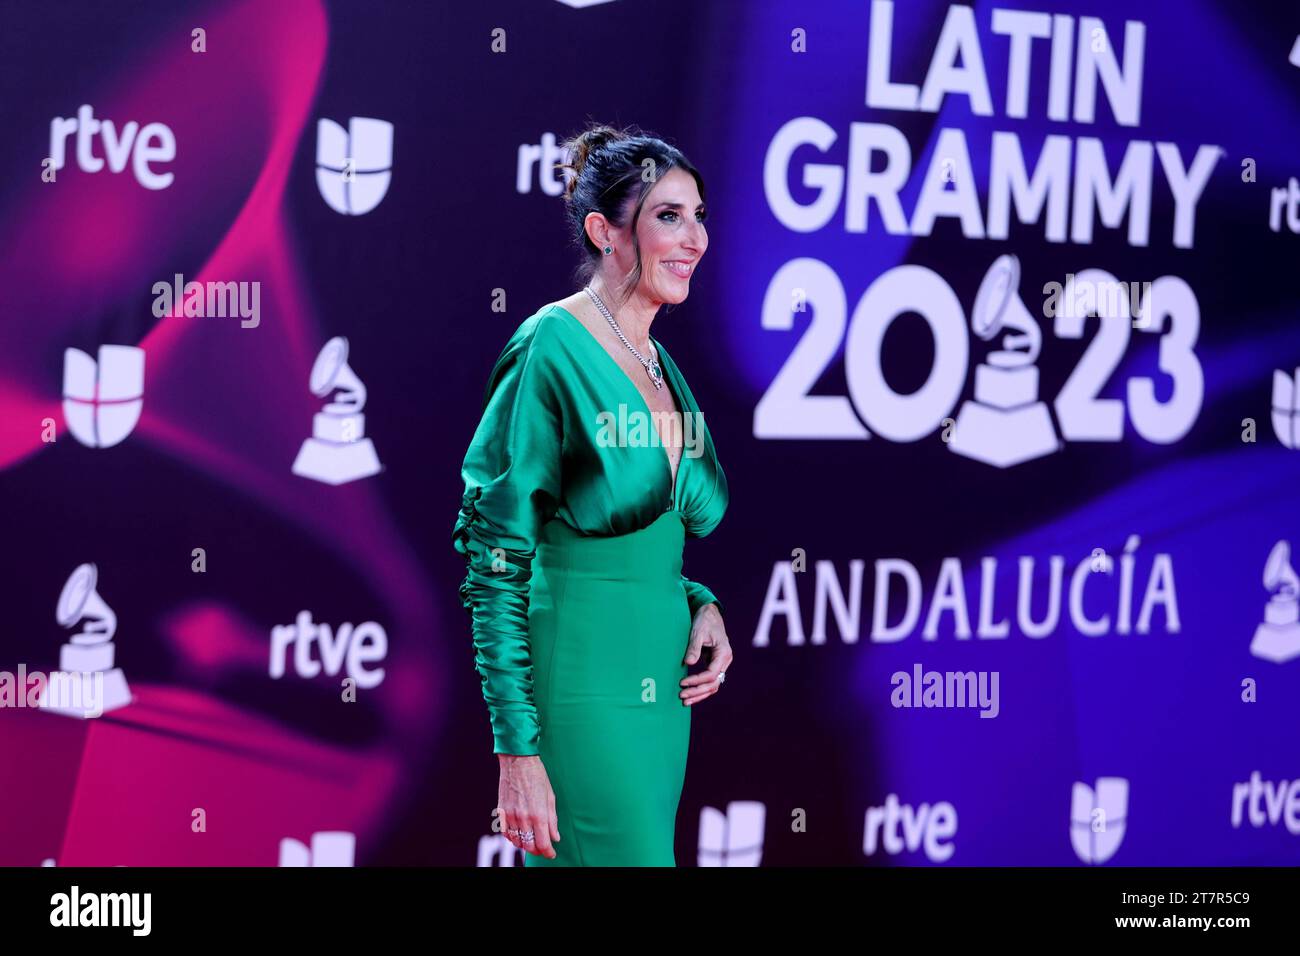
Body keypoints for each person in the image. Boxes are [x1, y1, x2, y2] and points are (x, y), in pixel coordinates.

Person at [452, 123, 731, 866]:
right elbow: (496, 554)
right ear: (604, 231)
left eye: (699, 214)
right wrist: (517, 752)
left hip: (660, 700)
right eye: (668, 215)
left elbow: (646, 531)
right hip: (582, 693)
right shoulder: (552, 345)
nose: (695, 236)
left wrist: (698, 601)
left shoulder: (661, 363)